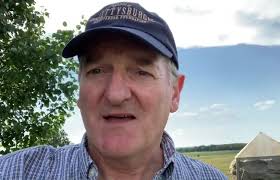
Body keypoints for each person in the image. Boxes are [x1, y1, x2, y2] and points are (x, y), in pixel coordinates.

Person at [0, 2, 227, 179]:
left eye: (141, 72)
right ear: (79, 92)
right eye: (97, 71)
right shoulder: (14, 172)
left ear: (175, 94)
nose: (115, 94)